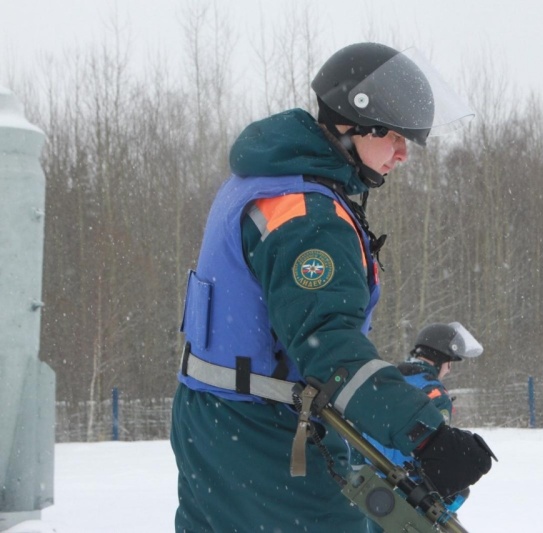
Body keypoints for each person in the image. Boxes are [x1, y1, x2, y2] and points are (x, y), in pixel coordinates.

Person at [170, 42, 495, 533]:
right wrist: (426, 437)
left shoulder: (262, 179)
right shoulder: (308, 218)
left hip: (214, 421)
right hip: (266, 435)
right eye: (395, 137)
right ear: (352, 124)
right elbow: (330, 347)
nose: (404, 153)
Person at [361, 322, 485, 532]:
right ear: (441, 359)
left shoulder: (388, 379)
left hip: (371, 484)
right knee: (460, 492)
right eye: (450, 362)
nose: (449, 368)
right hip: (410, 491)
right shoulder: (435, 394)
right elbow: (438, 453)